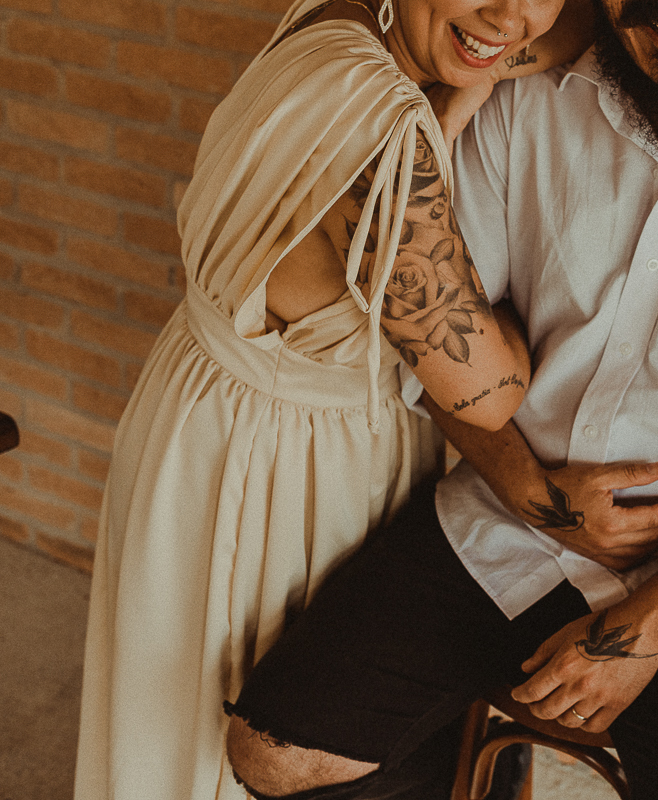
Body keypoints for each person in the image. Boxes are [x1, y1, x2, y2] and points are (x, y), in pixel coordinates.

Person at [223, 0, 658, 796]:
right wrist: (534, 492)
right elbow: (437, 343)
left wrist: (642, 634)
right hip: (503, 511)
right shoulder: (518, 105)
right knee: (273, 752)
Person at [72, 0, 591, 798]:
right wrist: (524, 305)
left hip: (196, 413)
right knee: (237, 723)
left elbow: (558, 27)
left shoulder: (331, 18)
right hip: (287, 464)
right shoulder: (380, 133)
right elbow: (486, 393)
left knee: (166, 713)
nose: (510, 15)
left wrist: (466, 92)